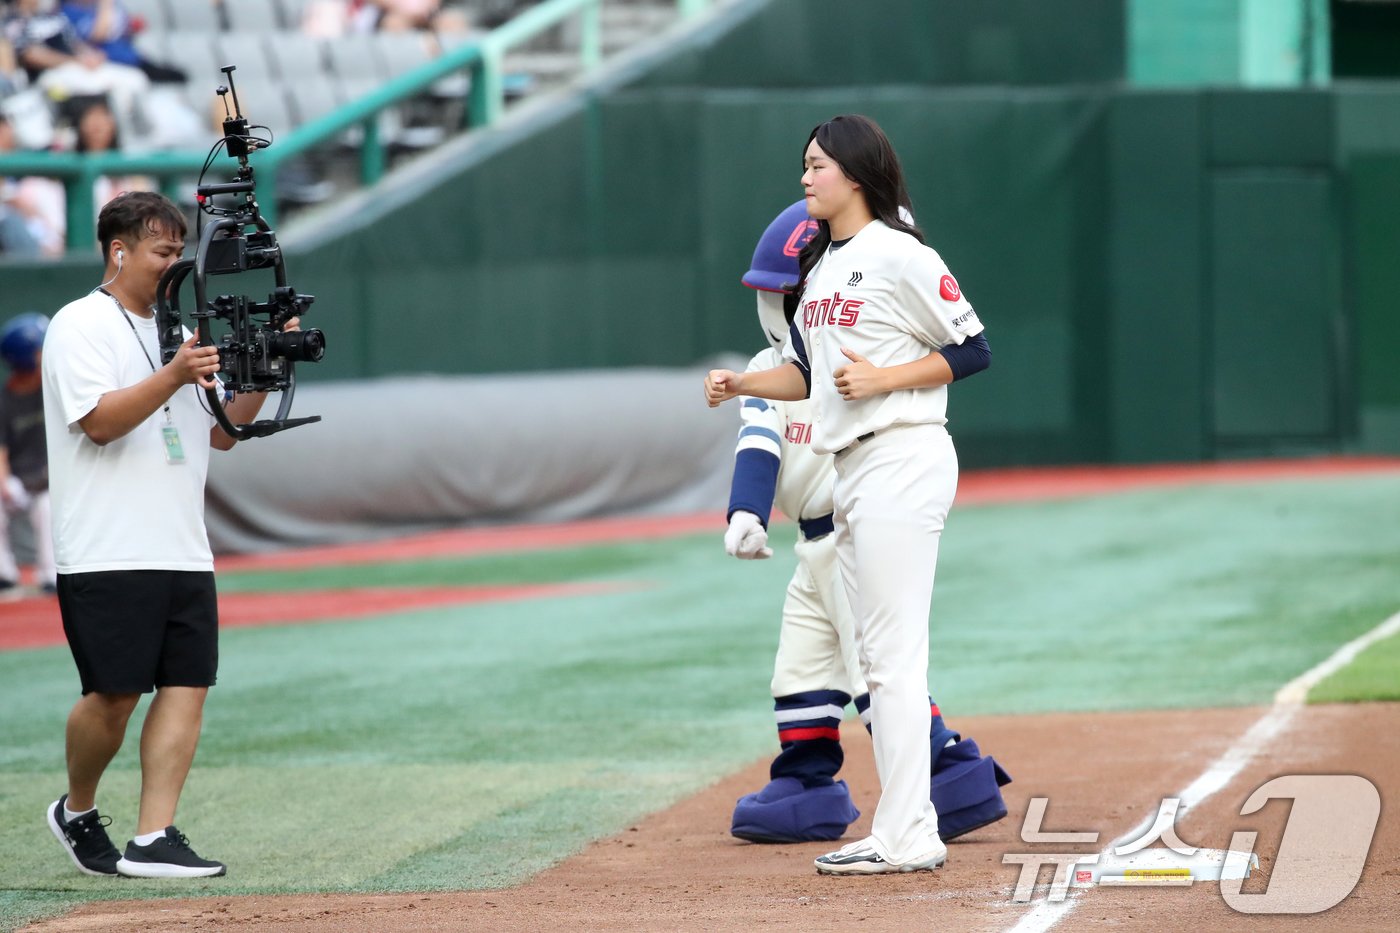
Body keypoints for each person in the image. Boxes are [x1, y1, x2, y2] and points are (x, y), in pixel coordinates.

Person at [704, 115, 992, 875]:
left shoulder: (902, 253)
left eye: (818, 165)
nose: (805, 177)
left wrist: (885, 379)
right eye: (803, 165)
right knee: (879, 657)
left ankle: (907, 832)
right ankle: (906, 825)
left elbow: (972, 348)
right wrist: (742, 382)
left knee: (891, 660)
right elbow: (803, 375)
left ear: (856, 175)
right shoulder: (825, 271)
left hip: (903, 453)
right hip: (855, 466)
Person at [42, 190, 301, 878]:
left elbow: (223, 432)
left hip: (182, 543)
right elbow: (98, 421)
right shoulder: (78, 324)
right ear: (117, 250)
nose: (173, 266)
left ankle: (153, 835)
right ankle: (77, 807)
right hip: (105, 545)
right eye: (161, 252)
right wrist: (176, 370)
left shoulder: (178, 332)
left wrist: (266, 364)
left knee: (188, 683)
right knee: (114, 694)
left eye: (178, 252)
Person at [0, 311, 56, 593]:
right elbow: (1, 449)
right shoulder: (5, 399)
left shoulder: (53, 387)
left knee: (47, 509)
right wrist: (5, 483)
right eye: (39, 349)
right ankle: (4, 574)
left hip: (48, 482)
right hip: (18, 482)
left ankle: (50, 576)